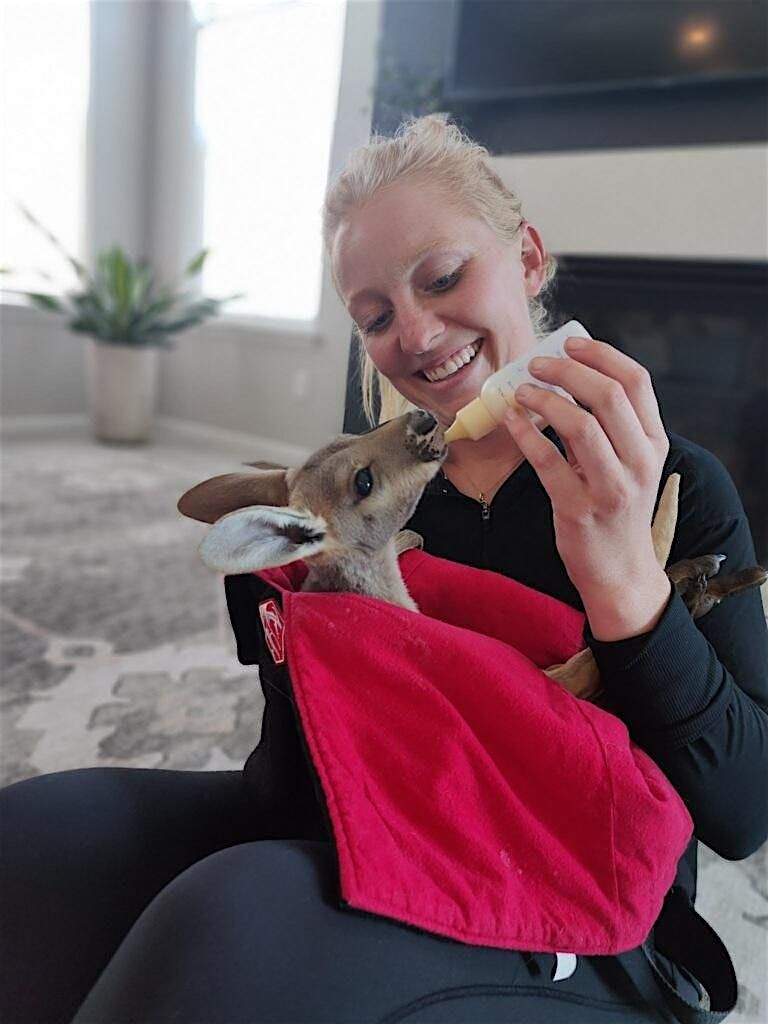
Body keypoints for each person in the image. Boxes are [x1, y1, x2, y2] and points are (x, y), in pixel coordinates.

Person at [1, 114, 766, 1024]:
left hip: (588, 907)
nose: (417, 333)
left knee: (230, 919)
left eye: (443, 278)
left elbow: (743, 813)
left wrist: (628, 590)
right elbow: (289, 790)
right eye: (374, 316)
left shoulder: (664, 482)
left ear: (526, 256)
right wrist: (302, 622)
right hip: (387, 840)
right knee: (32, 845)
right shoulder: (364, 510)